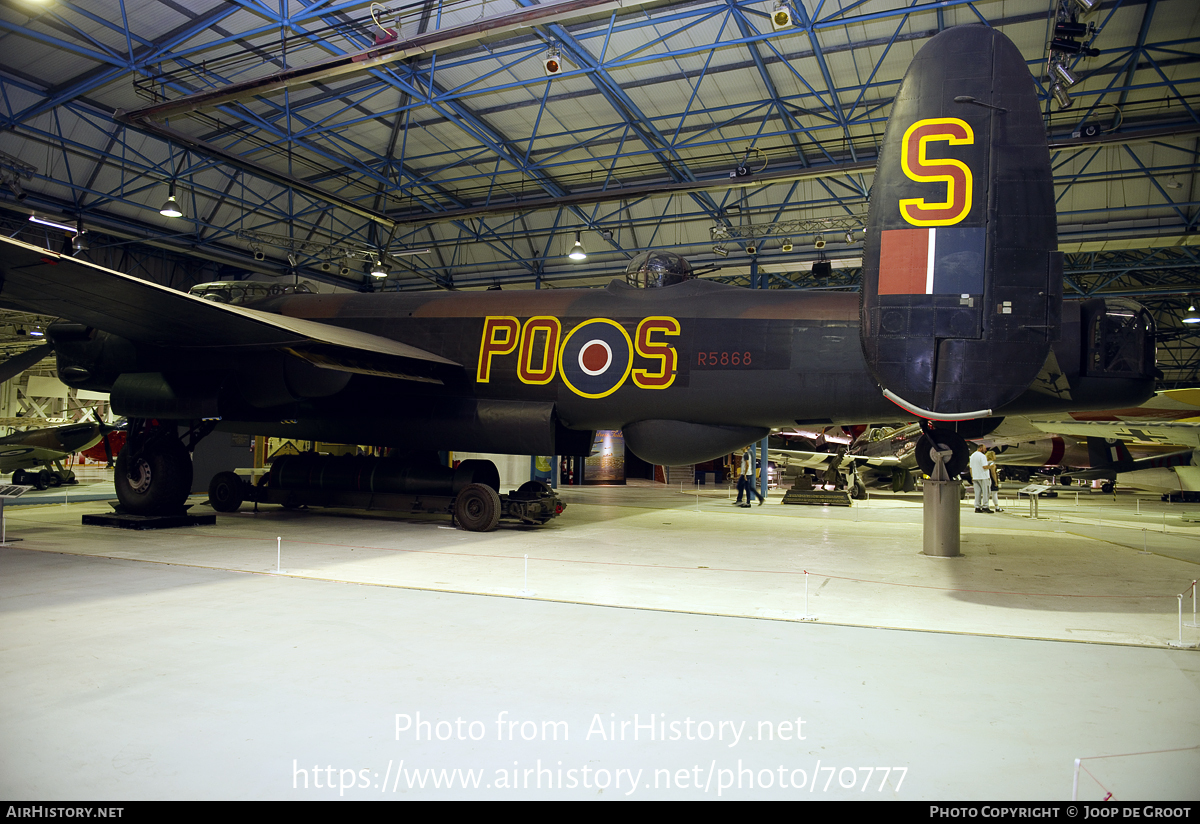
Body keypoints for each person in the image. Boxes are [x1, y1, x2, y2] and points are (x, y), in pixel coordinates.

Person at [969, 443, 992, 513]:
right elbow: (984, 466)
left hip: (975, 476)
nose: (986, 450)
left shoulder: (972, 456)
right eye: (984, 448)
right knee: (986, 492)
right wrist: (991, 466)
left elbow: (971, 467)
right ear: (980, 448)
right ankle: (985, 506)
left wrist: (972, 476)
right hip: (983, 477)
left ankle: (977, 507)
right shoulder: (982, 456)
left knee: (977, 493)